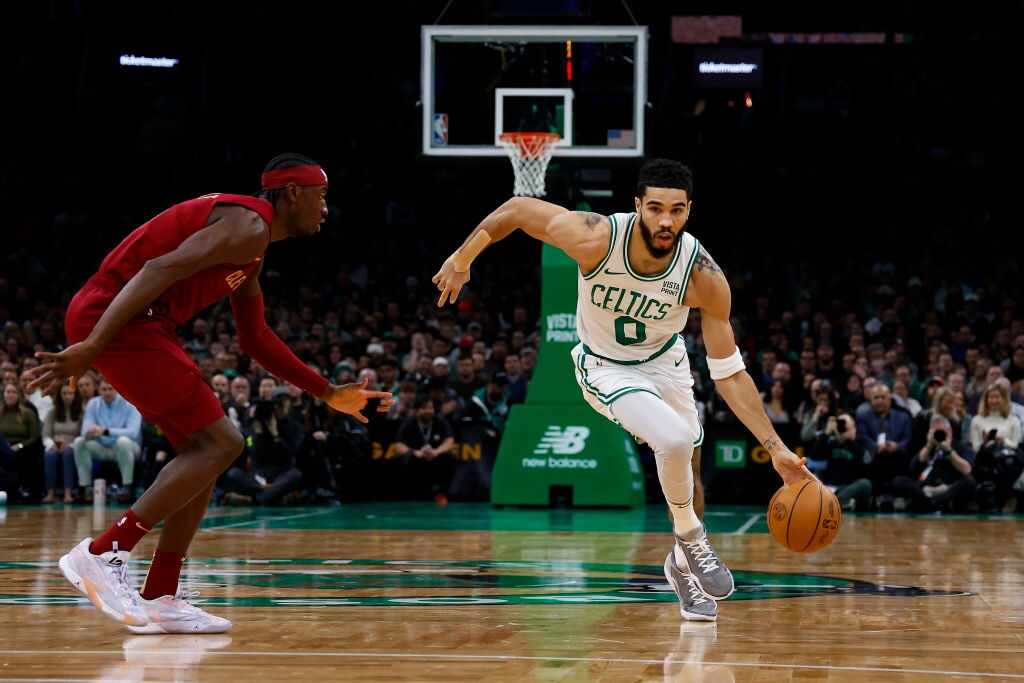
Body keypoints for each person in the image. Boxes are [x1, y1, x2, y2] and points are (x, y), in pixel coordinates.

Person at [432, 158, 813, 622]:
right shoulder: (596, 238)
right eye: (655, 208)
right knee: (671, 440)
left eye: (676, 210)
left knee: (690, 464)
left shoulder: (704, 277)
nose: (665, 220)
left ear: (689, 210)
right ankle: (692, 538)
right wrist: (462, 257)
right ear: (637, 207)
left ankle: (681, 569)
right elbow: (515, 209)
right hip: (605, 365)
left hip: (666, 364)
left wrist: (774, 448)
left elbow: (730, 374)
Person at [27, 153, 393, 634]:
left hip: (139, 323)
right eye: (321, 197)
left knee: (204, 454)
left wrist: (325, 391)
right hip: (116, 317)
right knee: (224, 442)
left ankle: (161, 593)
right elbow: (161, 266)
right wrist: (93, 343)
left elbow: (254, 336)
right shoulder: (249, 225)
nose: (326, 208)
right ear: (293, 193)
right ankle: (102, 552)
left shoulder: (254, 246)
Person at [221, 387, 304, 507]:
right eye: (279, 403)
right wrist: (258, 433)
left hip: (282, 472)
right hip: (259, 474)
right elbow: (256, 455)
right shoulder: (259, 424)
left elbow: (289, 455)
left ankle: (255, 500)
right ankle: (274, 498)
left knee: (296, 474)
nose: (282, 406)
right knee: (233, 474)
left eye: (286, 401)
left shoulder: (295, 426)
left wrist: (275, 434)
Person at [73, 377, 143, 503]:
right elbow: (84, 431)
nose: (107, 392)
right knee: (79, 442)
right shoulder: (93, 403)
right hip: (103, 447)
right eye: (104, 389)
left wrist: (105, 431)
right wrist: (90, 432)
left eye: (111, 389)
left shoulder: (130, 403)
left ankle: (127, 487)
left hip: (130, 448)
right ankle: (86, 487)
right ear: (98, 390)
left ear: (117, 389)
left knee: (123, 441)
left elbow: (133, 433)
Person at [394, 395, 456, 505]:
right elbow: (399, 446)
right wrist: (416, 453)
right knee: (402, 458)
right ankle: (408, 494)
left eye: (430, 408)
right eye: (424, 408)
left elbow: (450, 442)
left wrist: (436, 452)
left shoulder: (440, 421)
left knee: (449, 458)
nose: (428, 411)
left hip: (435, 457)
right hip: (417, 458)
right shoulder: (409, 423)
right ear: (416, 410)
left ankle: (442, 493)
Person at [42, 382, 84, 503]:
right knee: (50, 456)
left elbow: (82, 434)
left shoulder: (81, 412)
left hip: (73, 445)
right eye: (64, 393)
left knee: (68, 455)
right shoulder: (52, 412)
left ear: (75, 395)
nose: (67, 396)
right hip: (54, 445)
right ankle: (50, 493)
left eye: (70, 393)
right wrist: (52, 445)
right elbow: (46, 433)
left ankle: (68, 493)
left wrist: (70, 445)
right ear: (59, 395)